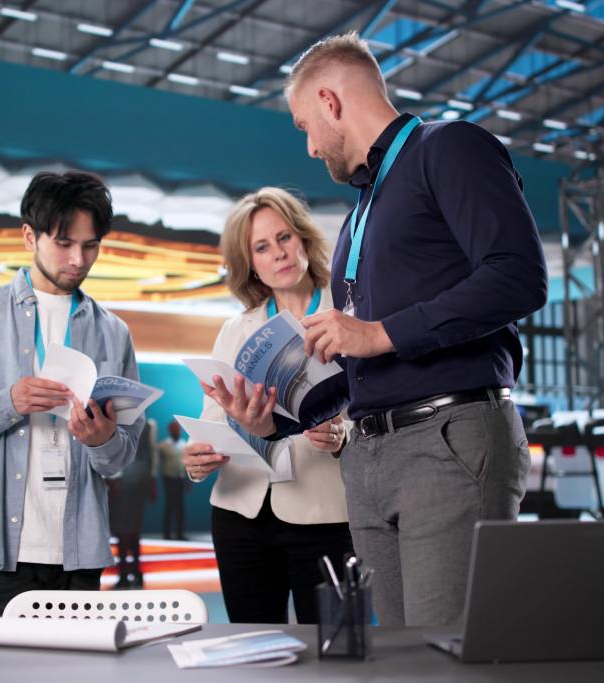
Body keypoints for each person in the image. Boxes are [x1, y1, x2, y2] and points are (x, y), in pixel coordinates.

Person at [210, 33, 548, 627]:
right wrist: (276, 422)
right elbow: (357, 362)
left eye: (304, 126)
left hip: (446, 439)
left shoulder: (451, 148)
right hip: (369, 457)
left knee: (440, 656)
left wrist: (379, 333)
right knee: (395, 658)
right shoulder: (360, 213)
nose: (310, 147)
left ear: (330, 101)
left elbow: (518, 277)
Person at [0, 171, 143, 619]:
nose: (78, 258)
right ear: (29, 236)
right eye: (64, 242)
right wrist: (9, 403)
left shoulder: (113, 333)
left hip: (80, 554)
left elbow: (120, 459)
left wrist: (101, 441)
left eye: (91, 244)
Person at [183, 187, 353, 625]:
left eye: (284, 237)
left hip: (325, 514)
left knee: (333, 651)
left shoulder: (347, 315)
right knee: (251, 650)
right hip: (241, 513)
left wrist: (342, 435)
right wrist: (200, 459)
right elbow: (213, 420)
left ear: (303, 238)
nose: (278, 253)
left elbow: (372, 411)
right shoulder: (237, 330)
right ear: (251, 264)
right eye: (262, 247)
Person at [107, 418, 158, 588]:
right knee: (123, 531)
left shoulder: (149, 425)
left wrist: (151, 482)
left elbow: (152, 453)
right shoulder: (114, 420)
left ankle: (132, 573)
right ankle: (129, 574)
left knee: (130, 530)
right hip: (122, 483)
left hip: (134, 481)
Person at [157, 419, 188, 540]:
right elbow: (157, 461)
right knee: (169, 506)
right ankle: (167, 534)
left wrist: (188, 480)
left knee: (180, 507)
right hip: (168, 478)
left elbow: (186, 463)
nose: (176, 430)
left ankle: (180, 533)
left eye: (178, 428)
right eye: (174, 428)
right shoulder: (163, 445)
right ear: (170, 430)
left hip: (180, 478)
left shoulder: (184, 444)